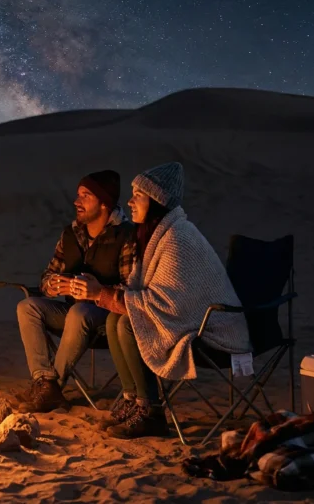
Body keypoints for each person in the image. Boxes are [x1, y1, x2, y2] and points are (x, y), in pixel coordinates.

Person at [95, 162, 252, 439]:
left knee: (129, 325)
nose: (129, 202)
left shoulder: (179, 238)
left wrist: (105, 295)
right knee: (114, 320)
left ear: (156, 202)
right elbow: (142, 288)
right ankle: (133, 400)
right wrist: (110, 296)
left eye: (138, 196)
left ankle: (151, 411)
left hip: (215, 331)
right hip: (192, 320)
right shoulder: (157, 235)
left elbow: (171, 303)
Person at [15, 170, 136, 412]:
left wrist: (96, 291)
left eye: (85, 196)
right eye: (77, 195)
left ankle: (53, 387)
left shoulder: (126, 236)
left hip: (107, 319)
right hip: (72, 314)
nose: (76, 202)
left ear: (104, 204)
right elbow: (47, 278)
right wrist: (56, 284)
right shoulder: (72, 234)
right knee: (27, 307)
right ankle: (43, 381)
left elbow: (132, 290)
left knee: (80, 311)